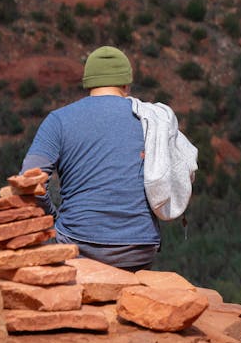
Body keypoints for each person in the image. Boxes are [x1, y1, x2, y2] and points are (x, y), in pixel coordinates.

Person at [20, 45, 162, 272]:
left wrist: (53, 216)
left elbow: (29, 178)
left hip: (77, 245)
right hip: (139, 248)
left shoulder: (58, 120)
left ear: (89, 83)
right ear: (126, 85)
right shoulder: (152, 120)